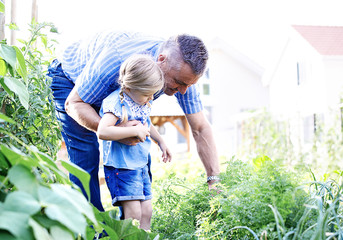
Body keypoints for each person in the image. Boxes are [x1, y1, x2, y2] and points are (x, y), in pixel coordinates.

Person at [47, 31, 220, 212]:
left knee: (135, 146)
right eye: (179, 83)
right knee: (87, 152)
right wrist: (118, 132)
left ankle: (132, 225)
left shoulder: (182, 75)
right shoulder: (115, 60)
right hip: (70, 80)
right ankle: (90, 229)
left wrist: (214, 181)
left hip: (110, 93)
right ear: (162, 59)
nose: (183, 91)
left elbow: (200, 127)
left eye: (188, 85)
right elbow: (73, 103)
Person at [97, 54, 171, 230]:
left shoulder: (141, 100)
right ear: (130, 87)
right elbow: (102, 130)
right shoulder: (116, 103)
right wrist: (133, 130)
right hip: (122, 167)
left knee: (147, 211)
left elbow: (146, 122)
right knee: (133, 215)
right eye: (147, 94)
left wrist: (160, 141)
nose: (151, 98)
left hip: (140, 164)